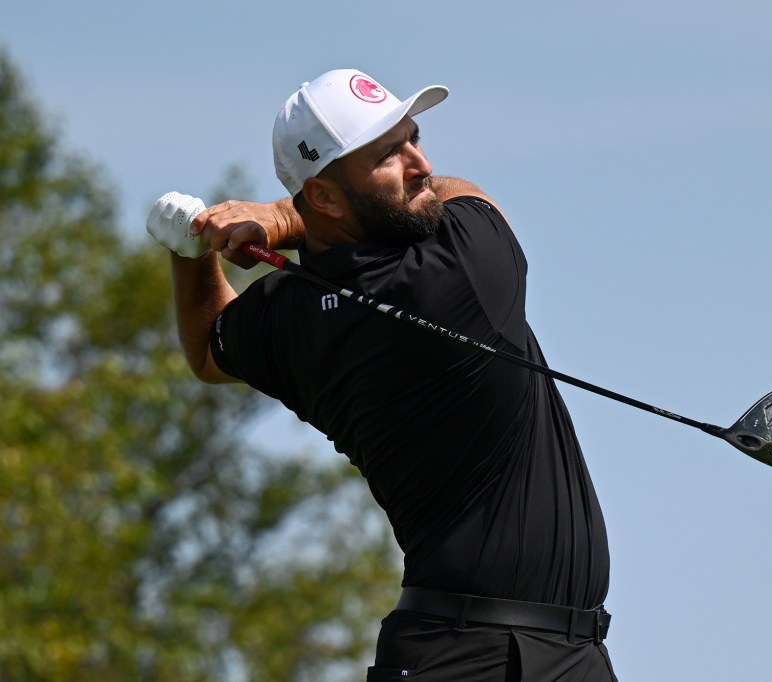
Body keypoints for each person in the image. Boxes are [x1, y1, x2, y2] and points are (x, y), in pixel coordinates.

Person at [155, 69, 617, 681]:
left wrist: (189, 255)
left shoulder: (286, 316)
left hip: (503, 651)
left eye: (413, 139)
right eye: (388, 155)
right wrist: (276, 219)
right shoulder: (461, 272)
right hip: (476, 657)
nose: (420, 163)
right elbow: (465, 193)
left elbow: (209, 354)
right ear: (322, 195)